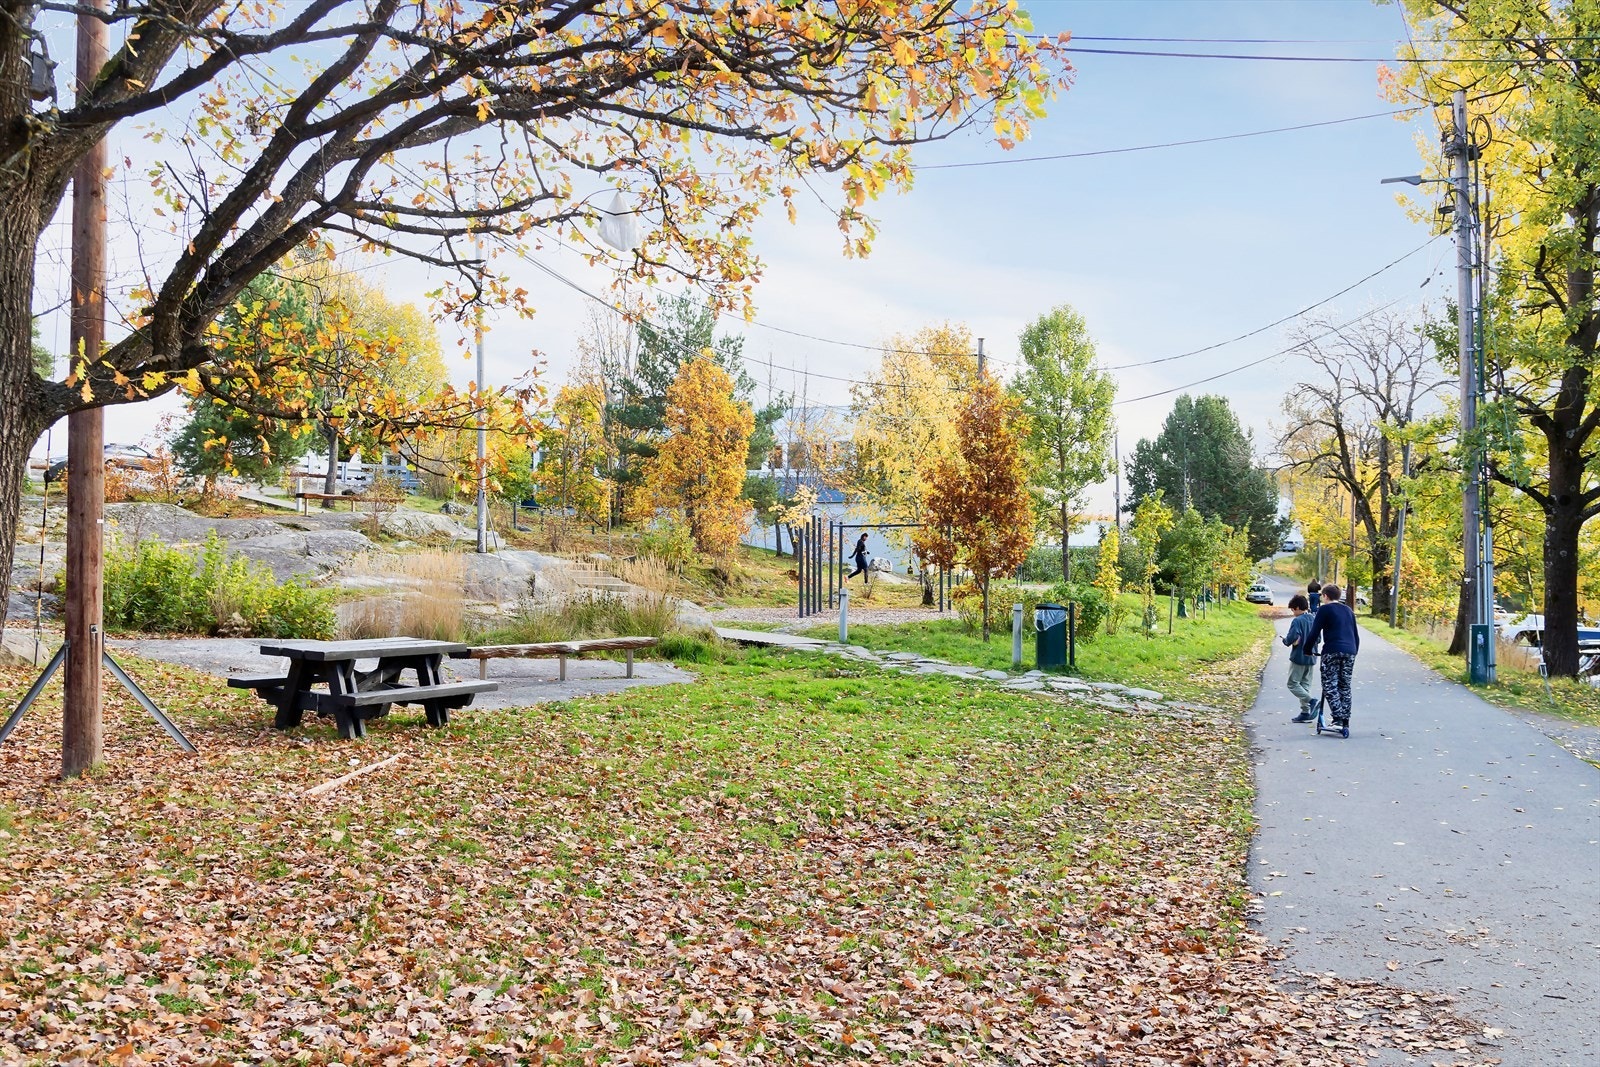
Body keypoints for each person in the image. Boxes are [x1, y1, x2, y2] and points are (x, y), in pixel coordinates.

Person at [1305, 582, 1360, 736]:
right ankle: (1345, 720)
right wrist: (1354, 652)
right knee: (1345, 685)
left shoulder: (1324, 609)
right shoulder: (1348, 610)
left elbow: (1314, 632)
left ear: (1325, 596)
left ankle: (1338, 718)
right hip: (1350, 651)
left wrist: (1307, 650)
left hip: (1332, 650)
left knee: (1329, 684)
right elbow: (1356, 635)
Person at [1283, 594, 1319, 722]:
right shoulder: (1314, 618)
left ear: (1297, 608)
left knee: (1292, 683)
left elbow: (1292, 637)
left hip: (1299, 656)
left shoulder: (1297, 621)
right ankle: (1305, 712)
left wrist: (1285, 641)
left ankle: (1311, 701)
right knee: (1305, 684)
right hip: (1312, 656)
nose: (1293, 613)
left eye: (1293, 610)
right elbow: (1318, 639)